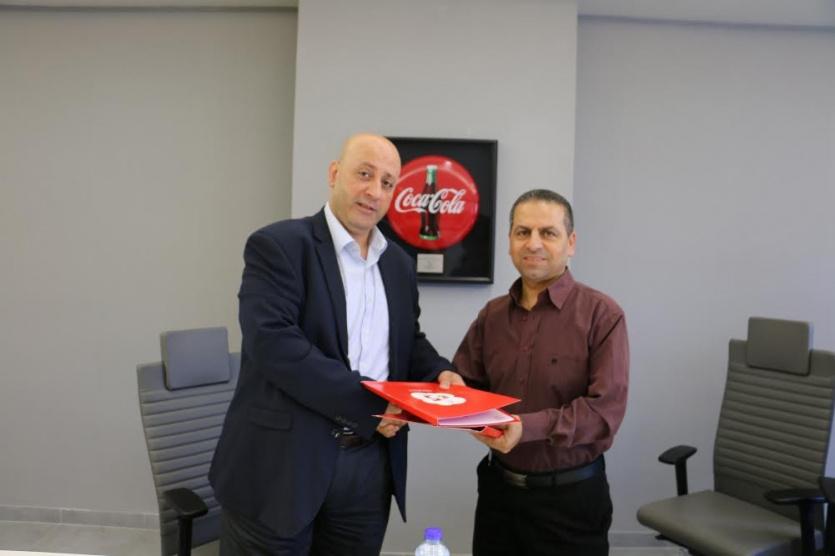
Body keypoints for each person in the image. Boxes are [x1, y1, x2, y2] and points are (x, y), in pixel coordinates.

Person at [209, 133, 463, 556]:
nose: (374, 191)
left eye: (387, 183)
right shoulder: (279, 246)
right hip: (281, 465)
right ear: (334, 174)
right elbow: (274, 344)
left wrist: (439, 371)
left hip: (367, 468)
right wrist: (368, 405)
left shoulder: (398, 264)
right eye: (364, 174)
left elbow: (405, 340)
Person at [453, 189, 629, 555]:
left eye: (548, 233)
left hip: (570, 502)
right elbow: (465, 383)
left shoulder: (602, 315)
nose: (533, 243)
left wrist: (526, 427)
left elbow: (604, 412)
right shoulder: (492, 316)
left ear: (571, 242)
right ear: (510, 242)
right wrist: (446, 389)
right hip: (498, 496)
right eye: (522, 232)